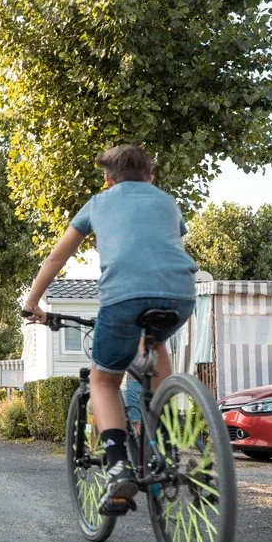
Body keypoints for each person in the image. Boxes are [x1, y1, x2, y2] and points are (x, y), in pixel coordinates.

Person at [21, 144, 196, 512]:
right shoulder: (167, 202)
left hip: (123, 299)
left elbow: (58, 255)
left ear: (107, 178)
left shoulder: (99, 203)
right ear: (151, 177)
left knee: (104, 379)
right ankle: (168, 440)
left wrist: (32, 302)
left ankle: (117, 467)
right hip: (179, 294)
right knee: (156, 342)